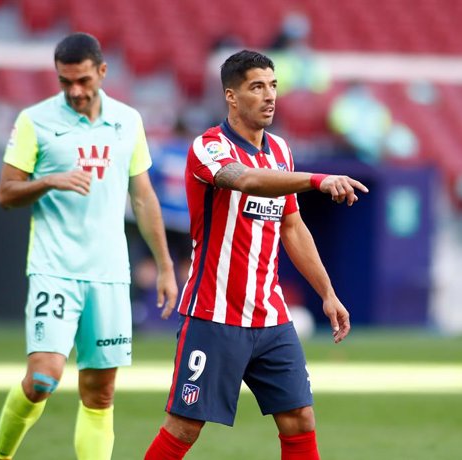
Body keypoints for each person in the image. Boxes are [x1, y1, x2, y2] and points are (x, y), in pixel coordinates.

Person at [144, 49, 368, 460]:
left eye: (273, 86)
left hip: (271, 318)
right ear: (231, 96)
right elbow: (246, 180)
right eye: (256, 87)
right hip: (214, 315)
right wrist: (318, 180)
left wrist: (327, 293)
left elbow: (292, 226)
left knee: (300, 418)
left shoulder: (280, 150)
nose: (269, 96)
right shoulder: (209, 148)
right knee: (185, 427)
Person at [0, 32, 178, 460]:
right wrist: (49, 179)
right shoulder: (35, 121)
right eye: (65, 82)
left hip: (109, 274)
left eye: (83, 81)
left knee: (100, 392)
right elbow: (5, 193)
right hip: (54, 268)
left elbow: (143, 197)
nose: (75, 91)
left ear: (102, 72)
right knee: (42, 380)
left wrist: (165, 266)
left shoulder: (128, 121)